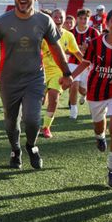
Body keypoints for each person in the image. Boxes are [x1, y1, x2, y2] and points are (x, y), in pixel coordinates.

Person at [0, 0, 73, 170]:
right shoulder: (2, 21)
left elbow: (56, 49)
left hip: (34, 78)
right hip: (9, 80)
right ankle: (15, 150)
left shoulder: (44, 21)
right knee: (10, 122)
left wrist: (67, 73)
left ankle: (31, 146)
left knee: (32, 119)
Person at [72, 8, 112, 187]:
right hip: (97, 92)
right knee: (99, 126)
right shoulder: (96, 43)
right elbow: (85, 63)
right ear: (107, 23)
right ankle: (99, 136)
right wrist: (70, 77)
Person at [40, 9, 86, 139]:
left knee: (54, 98)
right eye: (56, 16)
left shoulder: (68, 36)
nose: (58, 18)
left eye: (61, 17)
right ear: (51, 18)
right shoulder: (43, 34)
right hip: (42, 70)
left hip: (59, 71)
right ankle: (32, 121)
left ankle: (46, 127)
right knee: (39, 101)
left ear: (64, 19)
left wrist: (88, 63)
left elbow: (77, 53)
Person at [68, 8, 100, 119]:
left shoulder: (94, 32)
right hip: (73, 62)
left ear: (88, 19)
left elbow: (99, 48)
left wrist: (88, 49)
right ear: (77, 19)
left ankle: (85, 95)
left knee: (84, 89)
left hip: (88, 64)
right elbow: (65, 49)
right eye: (81, 18)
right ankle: (73, 109)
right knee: (74, 85)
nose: (83, 20)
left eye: (85, 18)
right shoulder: (71, 32)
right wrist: (76, 50)